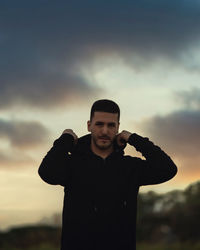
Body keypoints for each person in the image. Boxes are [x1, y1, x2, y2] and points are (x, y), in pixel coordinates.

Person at [38, 99, 177, 250]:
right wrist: (65, 139)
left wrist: (132, 138)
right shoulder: (72, 164)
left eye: (111, 125)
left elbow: (168, 169)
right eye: (99, 124)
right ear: (89, 125)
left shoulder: (130, 167)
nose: (105, 131)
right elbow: (46, 172)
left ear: (118, 128)